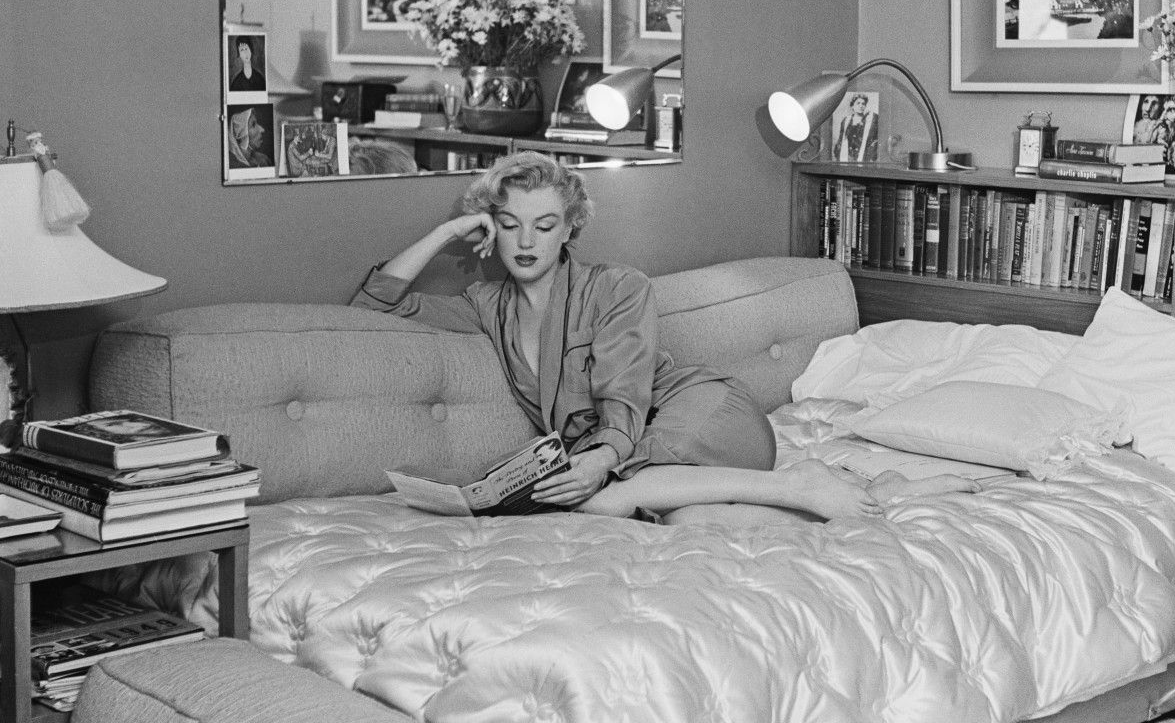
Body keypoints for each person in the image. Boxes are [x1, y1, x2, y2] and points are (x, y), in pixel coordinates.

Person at [352, 152, 976, 524]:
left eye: (544, 225)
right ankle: (875, 490)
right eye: (509, 224)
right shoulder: (486, 306)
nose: (525, 241)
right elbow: (377, 301)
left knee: (602, 503)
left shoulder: (616, 286)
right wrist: (450, 230)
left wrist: (599, 461)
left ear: (569, 229)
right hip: (649, 458)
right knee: (697, 522)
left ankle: (798, 483)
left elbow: (624, 395)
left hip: (704, 413)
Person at [833, 93, 878, 162]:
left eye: (863, 104)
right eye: (858, 103)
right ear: (852, 106)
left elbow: (875, 141)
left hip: (864, 158)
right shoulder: (846, 121)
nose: (861, 106)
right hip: (848, 157)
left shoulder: (870, 121)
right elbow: (840, 141)